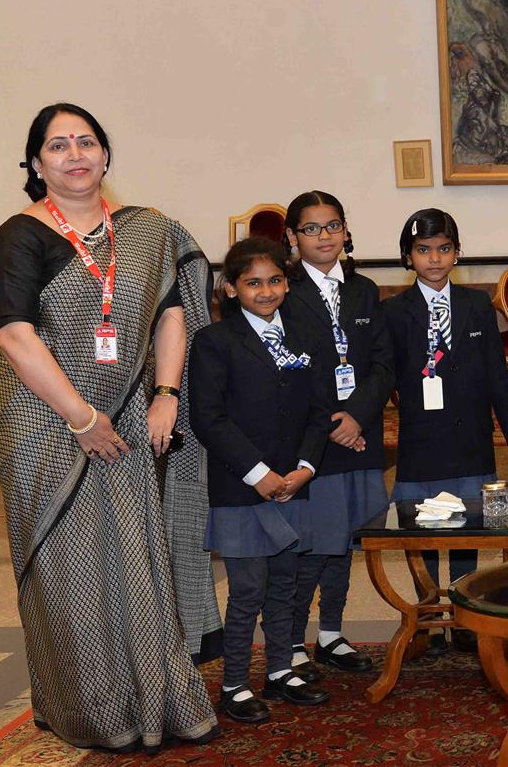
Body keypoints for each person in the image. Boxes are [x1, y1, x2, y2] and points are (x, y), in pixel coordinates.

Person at [0, 103, 218, 751]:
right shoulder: (20, 235)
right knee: (70, 568)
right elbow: (13, 334)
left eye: (86, 141)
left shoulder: (143, 232)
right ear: (36, 164)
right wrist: (81, 417)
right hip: (45, 425)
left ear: (106, 155)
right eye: (57, 146)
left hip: (125, 417)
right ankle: (93, 711)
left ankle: (157, 698)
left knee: (137, 562)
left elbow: (172, 311)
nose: (75, 154)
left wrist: (167, 392)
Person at [381, 209, 508, 649]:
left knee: (466, 528)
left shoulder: (476, 305)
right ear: (408, 256)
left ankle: (465, 613)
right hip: (421, 442)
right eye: (423, 250)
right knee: (420, 530)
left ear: (457, 253)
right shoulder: (393, 313)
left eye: (444, 249)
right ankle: (431, 619)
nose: (434, 259)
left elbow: (497, 374)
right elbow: (382, 377)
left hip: (471, 440)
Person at [190, 237, 333, 722]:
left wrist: (305, 469)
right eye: (253, 283)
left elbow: (319, 412)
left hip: (294, 482)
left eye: (274, 281)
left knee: (286, 583)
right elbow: (209, 418)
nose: (266, 291)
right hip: (242, 486)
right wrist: (260, 474)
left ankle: (278, 671)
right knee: (248, 587)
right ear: (231, 289)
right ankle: (233, 684)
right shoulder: (214, 342)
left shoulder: (305, 337)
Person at [281, 191, 394, 679]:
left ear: (346, 232)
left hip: (361, 434)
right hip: (314, 439)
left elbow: (382, 364)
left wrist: (357, 417)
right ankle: (290, 640)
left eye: (332, 226)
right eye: (311, 228)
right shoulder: (281, 290)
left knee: (344, 539)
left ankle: (331, 633)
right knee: (312, 544)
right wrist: (334, 423)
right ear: (292, 237)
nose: (324, 236)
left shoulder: (365, 289)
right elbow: (286, 370)